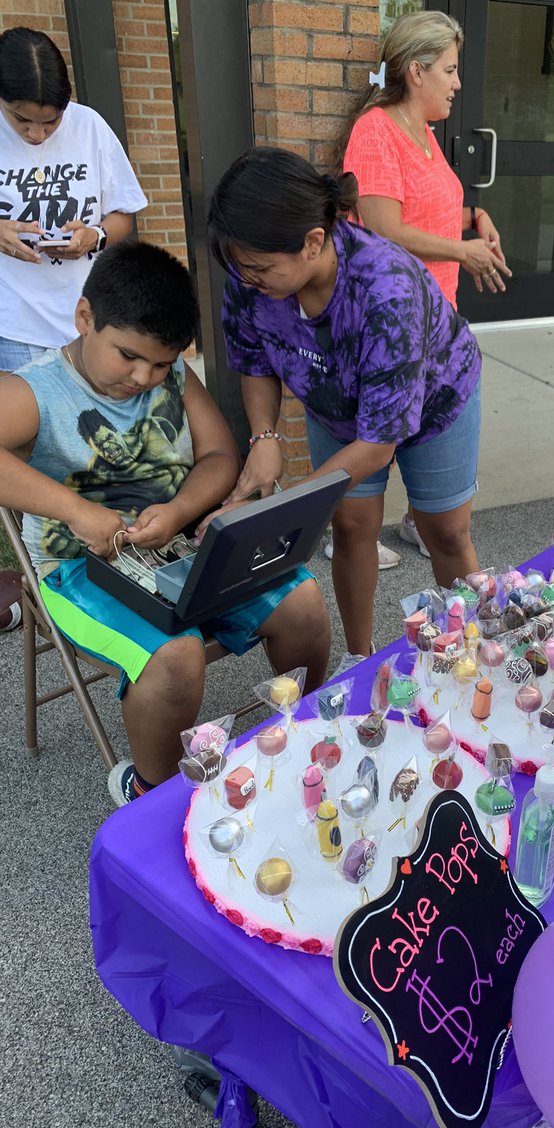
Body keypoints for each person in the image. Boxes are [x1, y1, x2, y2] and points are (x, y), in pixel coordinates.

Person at [0, 241, 330, 804]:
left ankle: (300, 735)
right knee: (174, 656)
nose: (144, 375)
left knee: (303, 605)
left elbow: (220, 458)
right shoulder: (37, 391)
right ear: (85, 319)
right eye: (128, 355)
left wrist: (178, 511)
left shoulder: (171, 374)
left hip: (178, 546)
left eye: (161, 361)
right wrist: (78, 511)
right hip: (77, 570)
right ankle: (149, 788)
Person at [206, 146, 482, 671]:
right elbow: (254, 359)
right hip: (335, 402)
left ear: (313, 242)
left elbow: (377, 445)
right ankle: (360, 659)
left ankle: (465, 650)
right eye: (242, 268)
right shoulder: (249, 276)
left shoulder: (386, 289)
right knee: (352, 527)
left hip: (436, 401)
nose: (247, 279)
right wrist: (264, 439)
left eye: (260, 268)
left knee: (443, 531)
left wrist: (277, 513)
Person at [339, 10, 511, 561]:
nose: (458, 83)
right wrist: (463, 252)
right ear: (417, 71)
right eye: (450, 69)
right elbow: (385, 229)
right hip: (383, 336)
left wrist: (474, 216)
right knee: (359, 518)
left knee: (449, 520)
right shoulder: (375, 132)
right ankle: (358, 647)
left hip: (435, 330)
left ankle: (422, 526)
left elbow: (429, 213)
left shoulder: (426, 135)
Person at [0, 27, 147, 371]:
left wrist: (94, 236)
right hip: (16, 327)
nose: (37, 134)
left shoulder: (89, 126)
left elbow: (123, 214)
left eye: (51, 121)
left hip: (91, 318)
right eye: (21, 119)